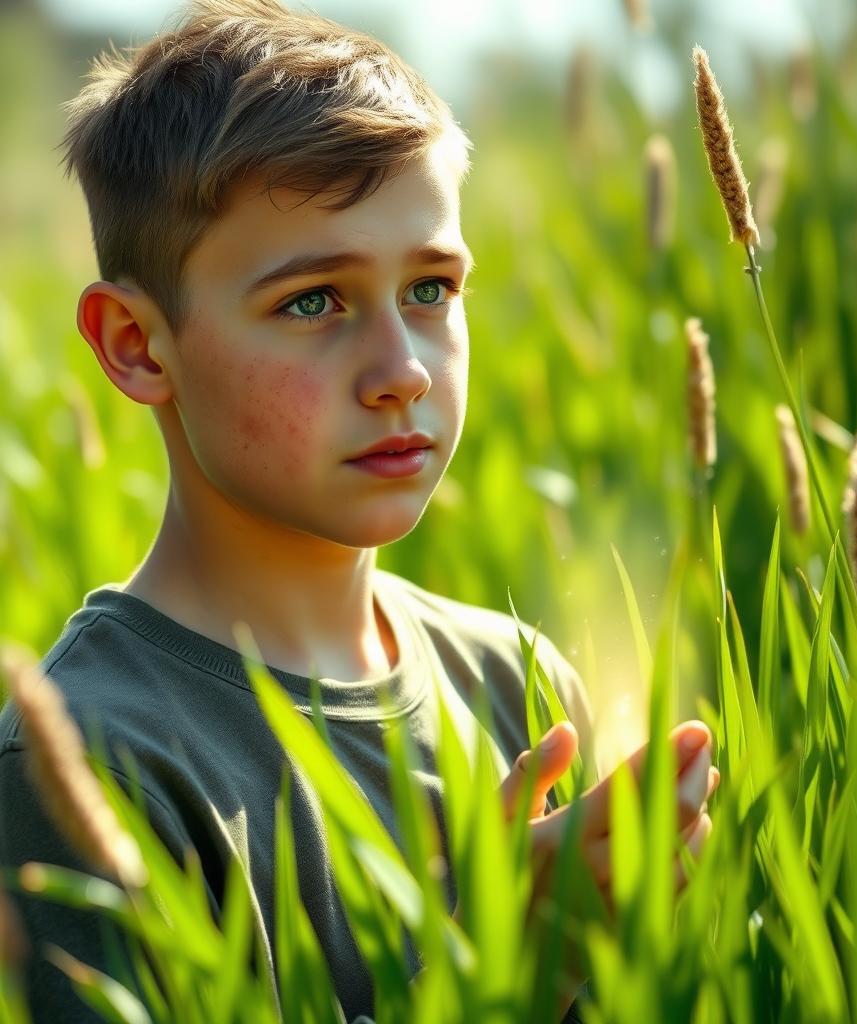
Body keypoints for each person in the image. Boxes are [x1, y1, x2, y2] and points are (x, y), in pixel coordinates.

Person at [0, 1, 719, 1020]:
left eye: (430, 290)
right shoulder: (92, 764)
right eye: (313, 302)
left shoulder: (519, 683)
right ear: (135, 342)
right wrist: (482, 980)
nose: (402, 374)